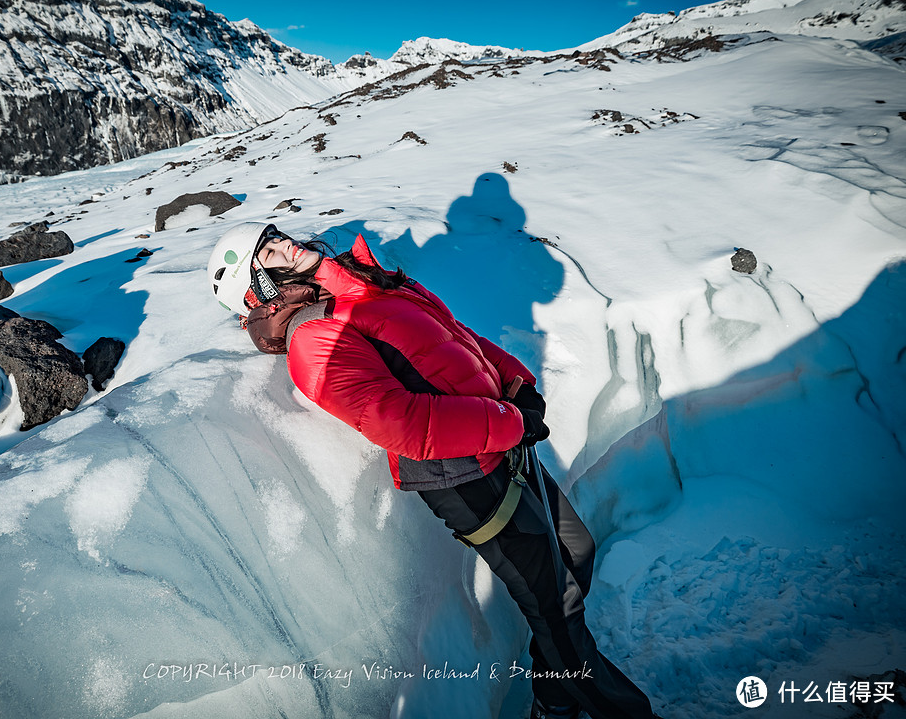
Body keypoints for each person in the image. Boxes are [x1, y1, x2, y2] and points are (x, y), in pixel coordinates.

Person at [207, 222, 660, 719]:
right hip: (465, 477)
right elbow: (400, 423)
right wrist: (510, 422)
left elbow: (452, 334)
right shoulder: (313, 341)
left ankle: (554, 699)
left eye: (279, 235)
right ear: (258, 289)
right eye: (268, 251)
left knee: (575, 553)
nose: (287, 246)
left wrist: (514, 382)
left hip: (500, 441)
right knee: (558, 608)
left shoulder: (357, 287)